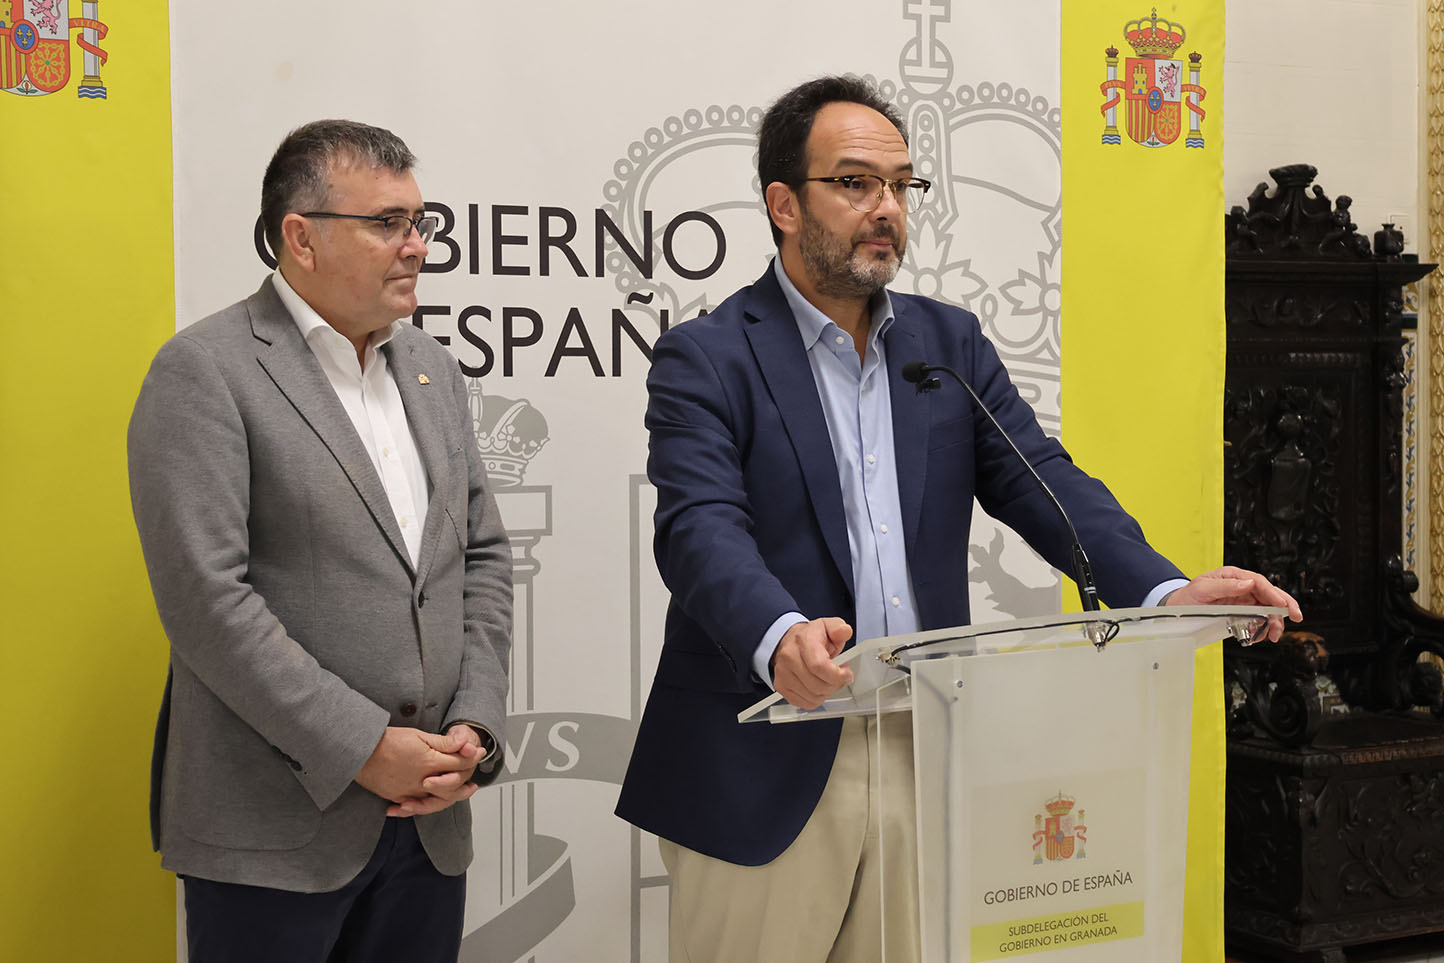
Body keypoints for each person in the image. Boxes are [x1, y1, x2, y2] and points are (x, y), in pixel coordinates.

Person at [614, 76, 1301, 963]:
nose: (887, 208)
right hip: (765, 751)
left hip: (923, 740)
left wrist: (1164, 592)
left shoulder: (948, 345)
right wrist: (778, 634)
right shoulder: (708, 356)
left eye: (902, 185)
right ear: (784, 204)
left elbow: (1041, 480)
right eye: (855, 183)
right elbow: (700, 527)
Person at [128, 119, 513, 962]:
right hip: (272, 837)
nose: (417, 245)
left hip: (429, 828)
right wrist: (363, 746)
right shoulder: (206, 370)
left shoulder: (434, 370)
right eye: (387, 223)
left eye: (419, 221)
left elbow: (480, 558)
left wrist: (475, 728)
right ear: (300, 238)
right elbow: (206, 601)